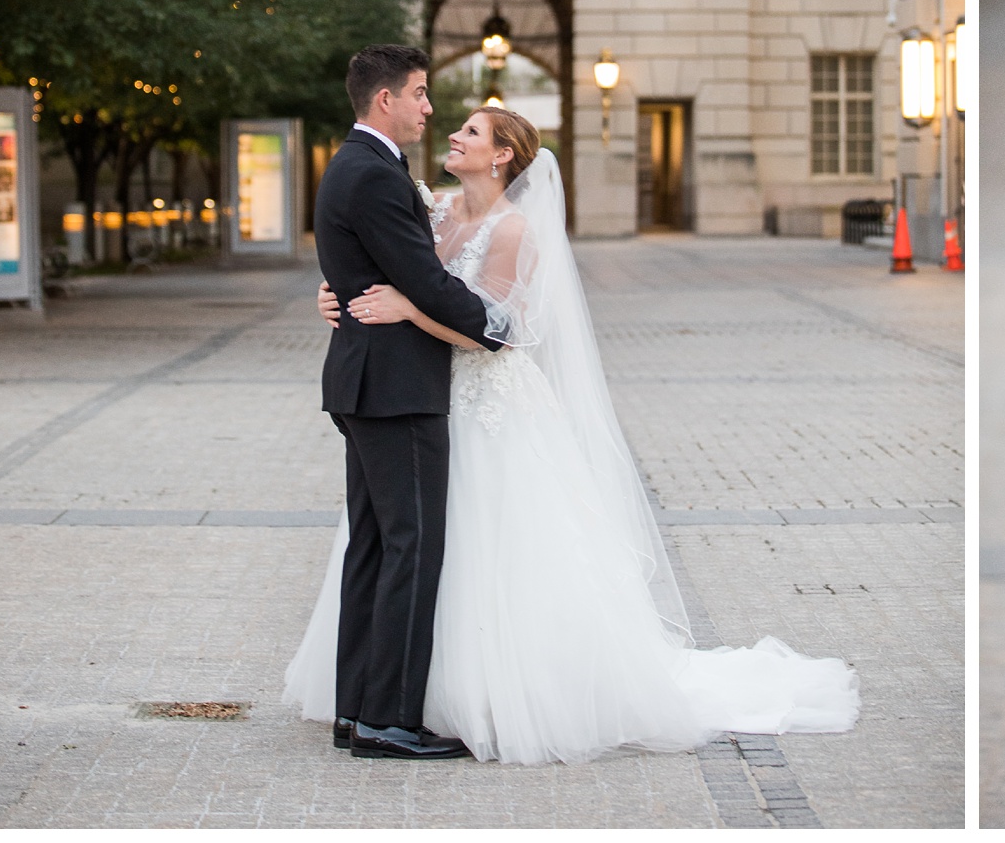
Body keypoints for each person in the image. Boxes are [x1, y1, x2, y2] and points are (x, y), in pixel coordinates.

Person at [286, 106, 860, 764]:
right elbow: (381, 256)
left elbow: (499, 329)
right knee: (409, 543)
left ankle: (485, 693)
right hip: (422, 395)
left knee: (485, 547)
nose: (452, 132)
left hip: (486, 401)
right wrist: (335, 291)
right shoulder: (430, 205)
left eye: (471, 131)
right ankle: (394, 696)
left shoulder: (514, 230)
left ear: (502, 156)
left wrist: (409, 309)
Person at [310, 44, 514, 760]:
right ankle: (388, 719)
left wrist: (338, 291)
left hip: (370, 381)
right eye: (421, 94)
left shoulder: (361, 165)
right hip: (395, 387)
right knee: (412, 544)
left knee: (375, 544)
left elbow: (361, 267)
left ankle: (356, 710)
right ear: (385, 99)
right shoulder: (371, 172)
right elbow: (424, 282)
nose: (430, 107)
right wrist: (496, 326)